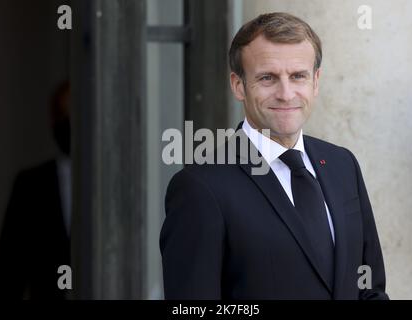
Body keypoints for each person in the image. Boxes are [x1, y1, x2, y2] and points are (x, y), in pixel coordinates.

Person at [160, 13, 388, 299]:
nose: (286, 93)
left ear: (315, 81)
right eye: (267, 78)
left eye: (298, 76)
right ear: (238, 85)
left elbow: (369, 288)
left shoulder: (343, 165)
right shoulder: (199, 188)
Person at [0, 81, 71, 299]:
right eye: (63, 116)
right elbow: (8, 268)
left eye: (73, 115)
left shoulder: (107, 184)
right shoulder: (31, 184)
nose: (69, 123)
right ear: (53, 121)